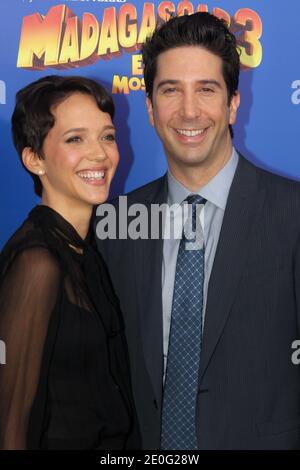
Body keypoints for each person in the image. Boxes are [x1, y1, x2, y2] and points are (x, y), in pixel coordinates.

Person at [96, 12, 300, 450]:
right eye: (171, 90)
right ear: (150, 108)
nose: (189, 111)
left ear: (232, 104)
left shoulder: (292, 212)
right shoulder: (113, 225)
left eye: (206, 90)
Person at [0, 75, 140, 450]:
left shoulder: (86, 251)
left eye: (107, 136)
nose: (99, 154)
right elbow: (9, 426)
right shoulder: (37, 262)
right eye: (75, 139)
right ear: (35, 159)